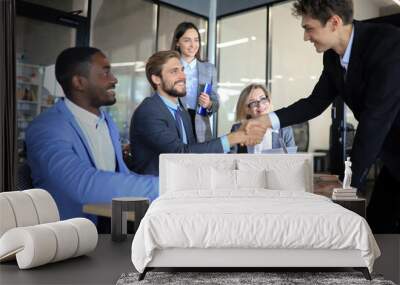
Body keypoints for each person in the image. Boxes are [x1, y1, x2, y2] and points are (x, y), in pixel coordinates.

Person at [250, 0, 400, 233]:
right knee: (379, 226)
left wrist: (346, 185)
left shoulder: (388, 44)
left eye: (308, 28)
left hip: (389, 145)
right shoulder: (332, 57)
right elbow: (315, 103)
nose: (306, 37)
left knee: (380, 225)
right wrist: (267, 120)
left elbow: (374, 120)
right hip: (392, 156)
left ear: (334, 22)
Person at [26, 47, 159, 221]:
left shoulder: (106, 122)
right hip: (71, 237)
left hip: (113, 223)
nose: (114, 79)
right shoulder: (47, 127)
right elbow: (83, 184)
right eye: (105, 73)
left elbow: (120, 174)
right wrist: (166, 186)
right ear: (79, 83)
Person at [129, 50, 265, 176]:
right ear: (156, 79)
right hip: (155, 192)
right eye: (174, 71)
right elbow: (180, 153)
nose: (183, 76)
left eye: (182, 70)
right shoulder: (149, 111)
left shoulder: (182, 112)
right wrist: (233, 138)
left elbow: (194, 151)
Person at [171, 22, 219, 142]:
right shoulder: (170, 67)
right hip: (176, 123)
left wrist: (208, 104)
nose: (193, 45)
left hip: (201, 127)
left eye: (196, 40)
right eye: (187, 40)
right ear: (177, 42)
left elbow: (216, 102)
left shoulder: (209, 69)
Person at [231, 84, 296, 153]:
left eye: (263, 99)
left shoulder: (284, 129)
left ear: (269, 101)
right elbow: (230, 159)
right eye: (253, 102)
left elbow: (292, 159)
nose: (260, 105)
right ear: (247, 109)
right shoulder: (238, 129)